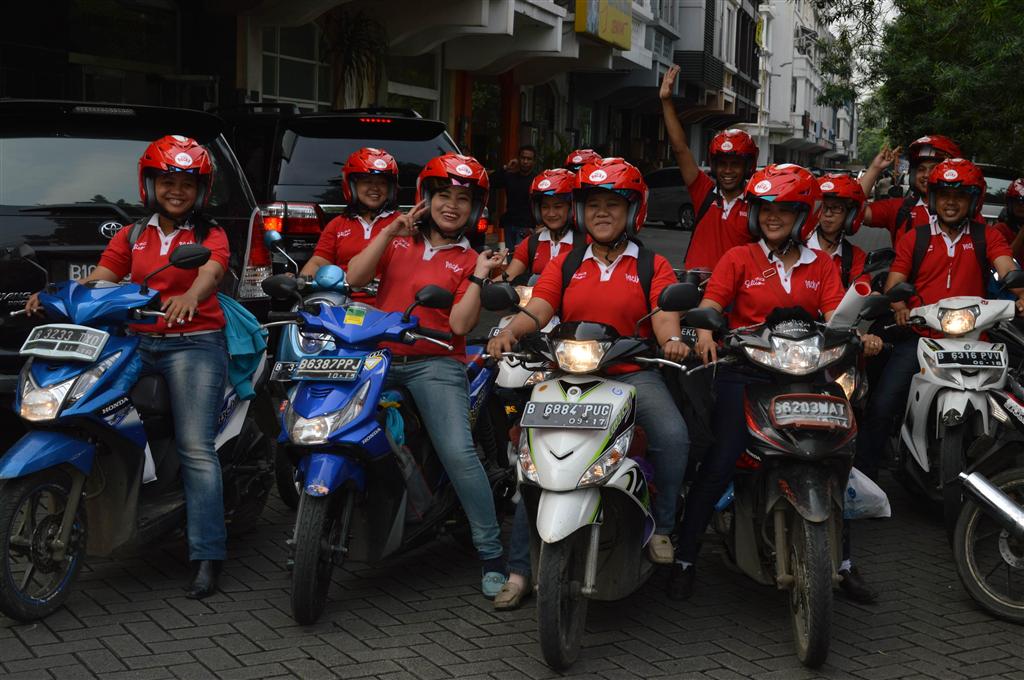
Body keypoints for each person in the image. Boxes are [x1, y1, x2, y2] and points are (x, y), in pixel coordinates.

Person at [26, 135, 232, 599]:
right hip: (135, 341)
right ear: (150, 185)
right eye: (167, 181)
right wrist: (57, 297)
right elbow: (102, 278)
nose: (175, 190)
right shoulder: (133, 234)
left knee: (196, 447)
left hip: (193, 343)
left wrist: (189, 298)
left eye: (185, 183)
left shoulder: (208, 234)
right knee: (88, 412)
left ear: (200, 190)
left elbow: (210, 273)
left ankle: (207, 555)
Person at [673, 163, 884, 601]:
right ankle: (686, 556)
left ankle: (842, 561)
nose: (773, 216)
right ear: (754, 213)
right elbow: (713, 303)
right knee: (720, 460)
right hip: (746, 372)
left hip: (808, 374)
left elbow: (834, 316)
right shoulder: (738, 258)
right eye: (765, 208)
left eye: (785, 210)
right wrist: (708, 331)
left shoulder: (822, 263)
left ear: (801, 215)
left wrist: (858, 337)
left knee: (836, 460)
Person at [488, 157, 692, 591]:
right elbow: (539, 306)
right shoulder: (566, 261)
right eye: (594, 204)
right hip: (567, 374)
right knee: (532, 460)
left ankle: (662, 527)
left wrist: (672, 340)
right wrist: (510, 331)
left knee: (673, 435)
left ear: (633, 211)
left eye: (614, 205)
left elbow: (663, 316)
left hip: (631, 374)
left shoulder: (652, 265)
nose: (602, 213)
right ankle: (521, 570)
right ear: (581, 211)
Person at [346, 153, 509, 598]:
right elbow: (354, 276)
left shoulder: (470, 259)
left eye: (462, 198)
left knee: (458, 452)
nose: (451, 205)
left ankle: (492, 552)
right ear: (426, 199)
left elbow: (459, 326)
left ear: (474, 208)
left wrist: (477, 276)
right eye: (443, 196)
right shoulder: (397, 240)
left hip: (434, 365)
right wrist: (387, 232)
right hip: (377, 358)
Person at [857, 157, 1024, 479]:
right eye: (944, 194)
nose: (951, 202)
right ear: (933, 197)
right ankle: (863, 481)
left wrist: (1020, 293)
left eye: (960, 196)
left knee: (1009, 406)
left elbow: (1007, 267)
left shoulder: (986, 236)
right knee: (882, 404)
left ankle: (1002, 477)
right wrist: (900, 306)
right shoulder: (915, 237)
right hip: (925, 338)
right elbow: (895, 284)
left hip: (976, 340)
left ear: (973, 201)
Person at [659, 64, 759, 271]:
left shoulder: (757, 205)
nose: (728, 170)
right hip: (694, 290)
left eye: (735, 164)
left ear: (747, 167)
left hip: (736, 294)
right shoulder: (703, 191)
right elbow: (680, 148)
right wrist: (666, 101)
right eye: (722, 164)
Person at [299, 147, 400, 278]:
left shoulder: (402, 225)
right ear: (352, 186)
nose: (375, 188)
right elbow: (318, 262)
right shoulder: (337, 225)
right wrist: (299, 282)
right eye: (367, 181)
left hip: (390, 297)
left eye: (382, 182)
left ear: (391, 189)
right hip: (343, 297)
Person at [858, 135, 962, 245]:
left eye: (934, 169)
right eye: (921, 169)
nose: (926, 175)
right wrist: (876, 167)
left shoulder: (964, 212)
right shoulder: (900, 209)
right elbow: (856, 211)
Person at [498, 169, 579, 284]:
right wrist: (483, 281)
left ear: (571, 208)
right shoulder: (531, 243)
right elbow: (509, 276)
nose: (551, 213)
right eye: (545, 207)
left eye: (558, 206)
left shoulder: (585, 242)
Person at [804, 173, 870, 288]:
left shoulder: (855, 256)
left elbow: (862, 289)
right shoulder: (796, 248)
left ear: (849, 215)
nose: (828, 214)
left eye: (836, 208)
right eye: (823, 207)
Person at [491, 144, 539, 251]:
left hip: (527, 226)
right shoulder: (510, 176)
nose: (525, 161)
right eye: (523, 158)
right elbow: (491, 182)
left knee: (521, 258)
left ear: (534, 161)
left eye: (529, 159)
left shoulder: (537, 181)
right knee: (509, 257)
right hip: (509, 224)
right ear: (518, 159)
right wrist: (506, 168)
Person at [993, 178, 1024, 263]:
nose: (1021, 206)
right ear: (1010, 203)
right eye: (1017, 201)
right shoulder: (1001, 229)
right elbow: (1006, 260)